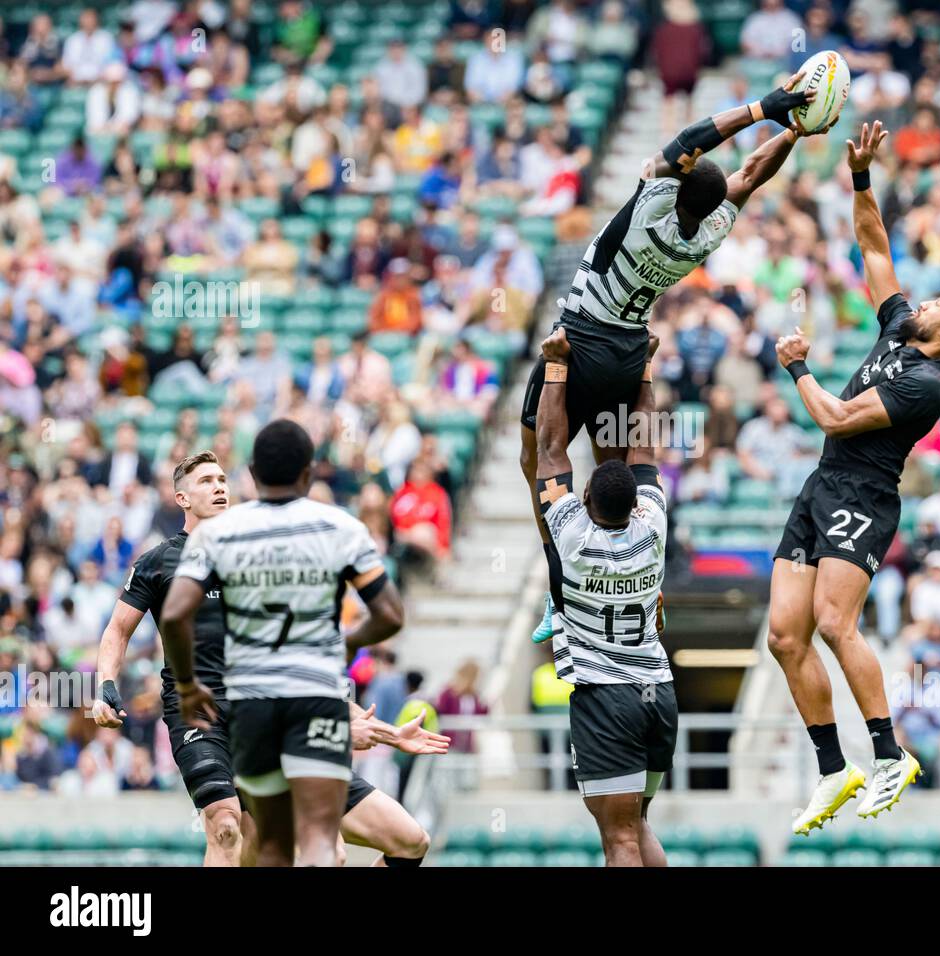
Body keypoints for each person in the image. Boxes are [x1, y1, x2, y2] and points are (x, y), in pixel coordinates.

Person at [519, 72, 823, 645]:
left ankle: (561, 598)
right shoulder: (702, 237)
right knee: (614, 476)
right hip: (630, 353)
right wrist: (796, 131)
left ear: (677, 188)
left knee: (539, 459)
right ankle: (641, 586)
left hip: (582, 340)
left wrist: (765, 107)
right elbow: (749, 175)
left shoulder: (648, 213)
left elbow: (690, 140)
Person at [768, 122, 940, 834]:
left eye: (937, 306)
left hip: (863, 497)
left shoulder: (928, 383)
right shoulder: (900, 329)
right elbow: (874, 247)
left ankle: (890, 754)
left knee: (836, 624)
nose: (921, 303)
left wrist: (797, 366)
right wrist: (863, 177)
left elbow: (835, 419)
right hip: (822, 487)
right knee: (784, 637)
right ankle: (835, 770)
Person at [95, 450, 449, 867]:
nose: (219, 486)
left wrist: (382, 730)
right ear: (182, 498)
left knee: (409, 842)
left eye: (223, 479)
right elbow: (118, 630)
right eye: (207, 480)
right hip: (199, 715)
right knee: (226, 827)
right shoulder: (159, 562)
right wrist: (105, 687)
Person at [531, 326, 673, 867]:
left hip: (604, 696)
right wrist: (642, 369)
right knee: (635, 826)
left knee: (618, 841)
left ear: (585, 497)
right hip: (657, 693)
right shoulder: (653, 524)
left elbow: (549, 449)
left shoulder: (570, 533)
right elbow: (644, 441)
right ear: (638, 500)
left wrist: (556, 364)